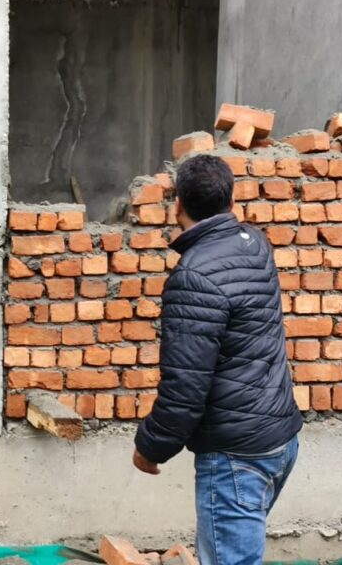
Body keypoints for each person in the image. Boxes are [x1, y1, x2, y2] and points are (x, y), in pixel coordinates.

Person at [131, 154, 303, 565]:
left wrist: (149, 448)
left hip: (236, 459)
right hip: (280, 440)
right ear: (231, 202)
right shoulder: (255, 244)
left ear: (178, 206)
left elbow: (185, 388)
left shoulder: (193, 277)